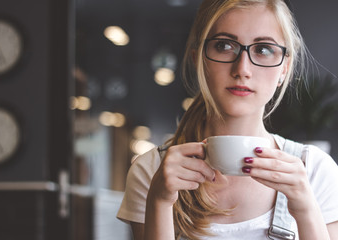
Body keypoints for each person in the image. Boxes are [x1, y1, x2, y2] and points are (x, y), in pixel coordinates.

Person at [117, 0, 338, 239]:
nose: (242, 69)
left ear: (285, 68)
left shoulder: (315, 171)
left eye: (263, 49)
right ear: (199, 58)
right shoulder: (152, 171)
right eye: (224, 45)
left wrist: (305, 208)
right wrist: (159, 201)